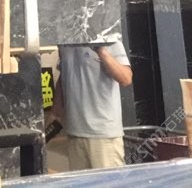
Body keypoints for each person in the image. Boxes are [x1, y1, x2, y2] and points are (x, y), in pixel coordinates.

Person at [51, 41, 132, 171]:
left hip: (104, 134)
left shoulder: (110, 39)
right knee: (80, 181)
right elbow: (64, 73)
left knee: (109, 181)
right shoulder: (64, 42)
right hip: (75, 133)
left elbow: (126, 78)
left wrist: (101, 51)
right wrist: (56, 110)